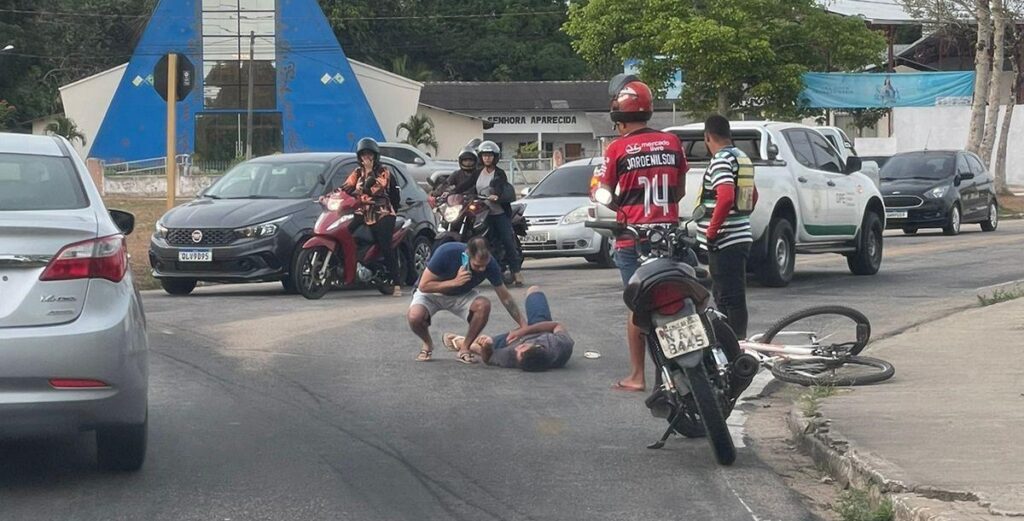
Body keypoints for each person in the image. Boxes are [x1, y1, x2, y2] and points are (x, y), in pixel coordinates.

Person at [591, 74, 688, 392]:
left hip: (632, 239)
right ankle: (687, 366)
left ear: (618, 115)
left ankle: (638, 375)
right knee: (677, 296)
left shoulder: (617, 149)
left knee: (638, 308)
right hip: (668, 236)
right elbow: (680, 190)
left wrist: (619, 204)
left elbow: (602, 192)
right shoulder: (672, 142)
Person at [407, 238, 527, 364]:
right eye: (477, 265)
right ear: (468, 255)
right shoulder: (447, 252)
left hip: (461, 295)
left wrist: (524, 325)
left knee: (483, 305)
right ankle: (427, 343)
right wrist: (454, 282)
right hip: (431, 293)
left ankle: (465, 348)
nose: (481, 269)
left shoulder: (491, 264)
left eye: (484, 265)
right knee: (415, 316)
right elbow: (424, 286)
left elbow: (505, 297)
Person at [696, 115, 753, 338]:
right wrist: (739, 219)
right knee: (733, 295)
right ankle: (736, 345)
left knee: (728, 298)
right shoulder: (742, 157)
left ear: (707, 136)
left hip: (724, 240)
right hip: (740, 235)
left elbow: (726, 196)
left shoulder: (721, 160)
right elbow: (752, 195)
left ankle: (735, 348)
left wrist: (712, 231)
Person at [442, 286, 573, 372]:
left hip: (509, 341)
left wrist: (487, 346)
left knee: (482, 345)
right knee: (534, 290)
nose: (518, 348)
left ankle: (463, 343)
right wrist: (523, 330)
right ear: (539, 346)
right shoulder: (561, 346)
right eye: (522, 348)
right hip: (541, 329)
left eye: (518, 352)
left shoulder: (512, 356)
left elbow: (489, 359)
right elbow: (557, 325)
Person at [336, 137, 401, 296]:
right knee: (344, 233)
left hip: (382, 212)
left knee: (385, 246)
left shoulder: (383, 171)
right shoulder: (357, 172)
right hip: (361, 211)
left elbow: (377, 189)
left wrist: (370, 172)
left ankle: (396, 282)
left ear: (375, 156)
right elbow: (346, 187)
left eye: (369, 155)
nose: (366, 158)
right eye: (363, 155)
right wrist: (331, 196)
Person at [474, 140, 523, 287]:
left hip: (498, 212)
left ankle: (516, 271)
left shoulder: (499, 173)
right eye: (484, 155)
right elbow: (466, 185)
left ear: (495, 157)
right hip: (482, 213)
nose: (487, 158)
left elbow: (500, 186)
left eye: (490, 155)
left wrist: (496, 195)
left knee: (507, 240)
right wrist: (450, 191)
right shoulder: (477, 173)